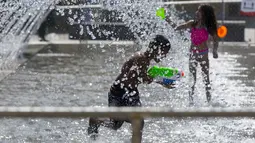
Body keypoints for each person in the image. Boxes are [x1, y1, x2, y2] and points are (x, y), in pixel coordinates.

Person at [87, 35, 173, 141]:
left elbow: (138, 77)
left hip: (129, 91)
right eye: (164, 52)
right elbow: (141, 78)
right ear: (156, 48)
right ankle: (95, 118)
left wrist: (159, 80)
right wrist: (161, 80)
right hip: (120, 92)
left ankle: (97, 120)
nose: (165, 55)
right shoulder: (142, 58)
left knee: (136, 121)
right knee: (118, 124)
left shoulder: (144, 59)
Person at [165, 4, 219, 103]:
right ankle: (191, 101)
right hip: (193, 54)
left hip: (203, 54)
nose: (197, 12)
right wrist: (166, 18)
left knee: (206, 79)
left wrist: (215, 51)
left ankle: (209, 102)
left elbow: (216, 40)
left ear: (205, 14)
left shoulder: (208, 27)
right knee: (192, 80)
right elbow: (177, 27)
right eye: (197, 10)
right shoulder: (192, 24)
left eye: (200, 11)